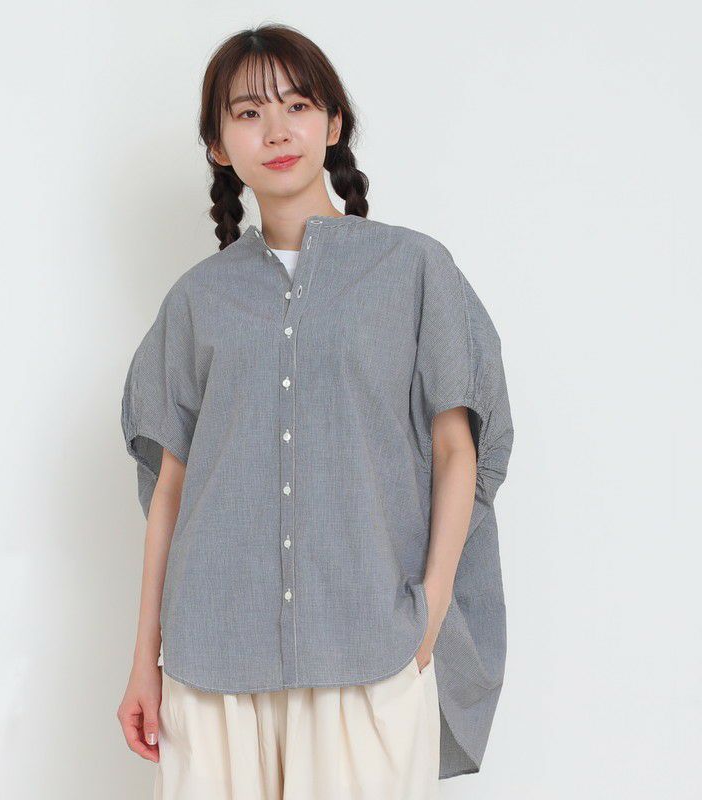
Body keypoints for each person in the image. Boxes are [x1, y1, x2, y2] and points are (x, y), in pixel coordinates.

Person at [117, 23, 514, 800]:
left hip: (370, 647)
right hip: (213, 656)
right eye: (248, 113)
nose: (276, 131)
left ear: (333, 124)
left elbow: (458, 451)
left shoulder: (413, 269)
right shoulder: (198, 300)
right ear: (218, 145)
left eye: (297, 105)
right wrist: (144, 661)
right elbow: (171, 491)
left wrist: (426, 619)